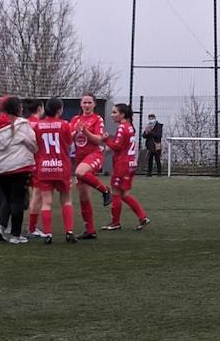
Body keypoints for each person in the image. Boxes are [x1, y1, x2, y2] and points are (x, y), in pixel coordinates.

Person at [0, 96, 37, 244]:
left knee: (7, 198)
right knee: (17, 200)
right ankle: (16, 235)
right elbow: (33, 144)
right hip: (20, 167)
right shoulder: (23, 124)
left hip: (1, 169)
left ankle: (1, 226)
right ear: (17, 108)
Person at [98, 103, 150, 231]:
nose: (112, 115)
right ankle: (141, 217)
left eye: (115, 112)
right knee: (124, 194)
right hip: (131, 163)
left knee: (117, 193)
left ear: (122, 115)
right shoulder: (130, 127)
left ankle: (117, 222)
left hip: (123, 165)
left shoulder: (122, 128)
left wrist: (106, 140)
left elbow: (117, 146)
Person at [32, 98, 77, 244]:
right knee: (66, 200)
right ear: (59, 110)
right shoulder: (64, 125)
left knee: (46, 202)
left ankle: (48, 234)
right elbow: (69, 142)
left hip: (44, 167)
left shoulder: (38, 126)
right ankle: (69, 232)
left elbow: (36, 145)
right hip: (61, 167)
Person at [71, 93, 112, 240]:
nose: (87, 105)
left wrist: (85, 131)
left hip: (94, 155)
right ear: (81, 104)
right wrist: (75, 131)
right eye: (84, 102)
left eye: (89, 103)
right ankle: (90, 230)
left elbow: (98, 140)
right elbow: (68, 138)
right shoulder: (75, 119)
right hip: (80, 157)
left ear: (94, 104)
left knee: (79, 172)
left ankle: (106, 191)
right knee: (83, 196)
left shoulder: (97, 119)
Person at [22, 99, 46, 238]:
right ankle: (32, 228)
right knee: (37, 197)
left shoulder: (24, 123)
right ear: (40, 108)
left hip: (23, 164)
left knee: (23, 196)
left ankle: (9, 225)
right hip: (37, 164)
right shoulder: (39, 124)